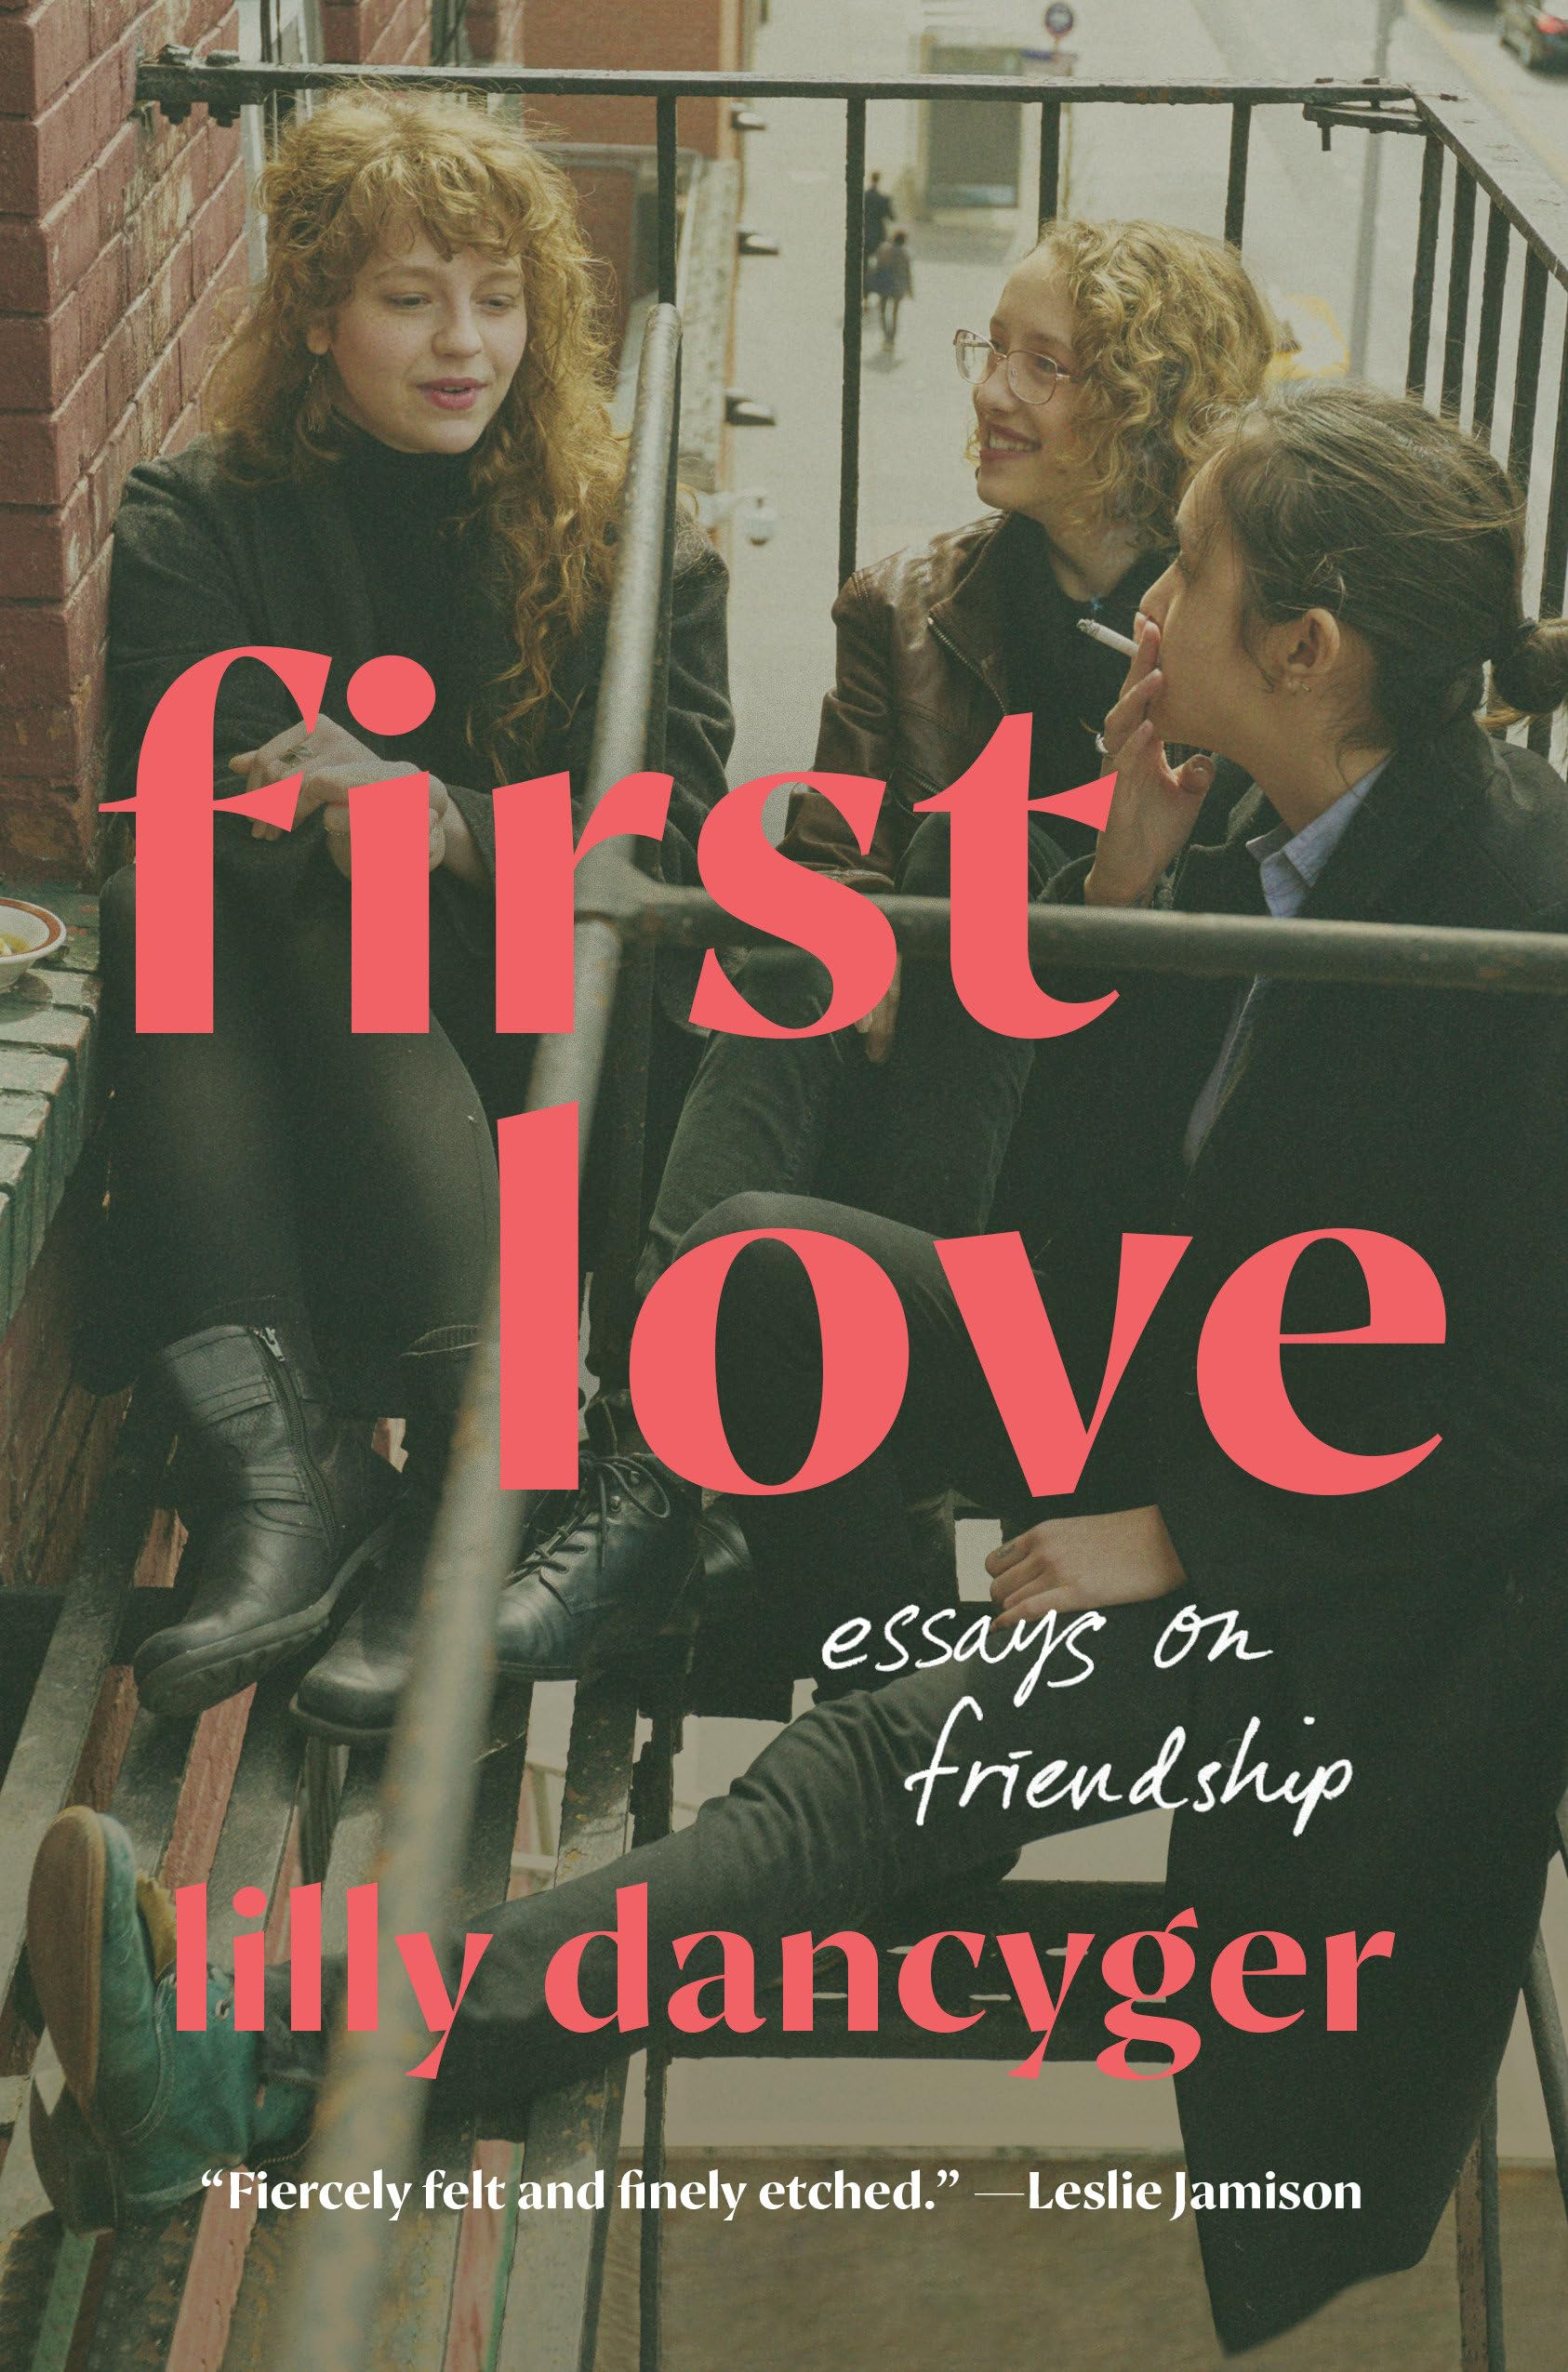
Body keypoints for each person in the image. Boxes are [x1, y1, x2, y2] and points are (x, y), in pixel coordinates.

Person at [27, 380, 1568, 2354]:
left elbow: (1522, 1412)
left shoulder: (1515, 916)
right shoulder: (1273, 824)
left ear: (1307, 644)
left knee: (876, 1762)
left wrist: (1173, 1533)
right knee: (761, 1281)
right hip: (1192, 1409)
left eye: (1187, 564)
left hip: (1378, 1583)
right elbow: (1083, 1237)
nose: (1148, 604)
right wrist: (1120, 890)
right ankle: (837, 1708)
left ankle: (247, 2064)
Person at [494, 219, 1274, 1688]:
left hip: (1099, 1144)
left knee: (956, 878)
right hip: (906, 1100)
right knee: (828, 936)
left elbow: (1218, 950)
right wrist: (878, 940)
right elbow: (822, 870)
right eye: (995, 348)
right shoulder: (908, 608)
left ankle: (666, 1474)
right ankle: (659, 1466)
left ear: (1150, 409)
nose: (993, 389)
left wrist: (966, 922)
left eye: (1051, 366)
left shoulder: (1230, 640)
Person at [88, 89, 733, 1740]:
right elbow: (192, 788)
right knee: (199, 859)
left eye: (499, 300)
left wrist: (437, 821)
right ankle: (291, 1474)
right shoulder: (196, 517)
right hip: (283, 1053)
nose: (466, 345)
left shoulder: (625, 544)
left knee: (339, 851)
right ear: (315, 315)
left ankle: (475, 1472)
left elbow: (678, 850)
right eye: (408, 298)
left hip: (536, 1045)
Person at [871, 228, 913, 350]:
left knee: (883, 312)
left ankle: (886, 335)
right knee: (895, 313)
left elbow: (877, 267)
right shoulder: (905, 253)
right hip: (898, 286)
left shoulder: (884, 250)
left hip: (884, 284)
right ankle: (892, 338)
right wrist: (910, 289)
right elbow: (907, 273)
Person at [861, 171, 895, 305]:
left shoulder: (864, 197)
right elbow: (892, 217)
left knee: (864, 266)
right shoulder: (883, 198)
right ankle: (881, 292)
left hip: (864, 235)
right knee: (881, 266)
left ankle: (865, 294)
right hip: (878, 237)